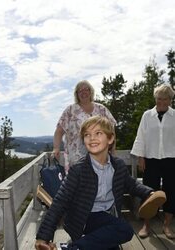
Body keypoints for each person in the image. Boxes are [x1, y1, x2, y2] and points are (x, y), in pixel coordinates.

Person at [35, 116, 165, 250]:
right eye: (87, 135)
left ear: (110, 139)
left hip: (108, 216)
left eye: (98, 133)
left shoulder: (118, 166)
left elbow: (132, 184)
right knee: (125, 230)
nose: (91, 138)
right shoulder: (79, 170)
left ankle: (73, 247)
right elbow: (60, 201)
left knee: (112, 243)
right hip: (84, 217)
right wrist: (43, 236)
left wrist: (150, 193)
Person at [131, 84, 175, 239]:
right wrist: (141, 157)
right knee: (149, 192)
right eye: (159, 99)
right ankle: (146, 224)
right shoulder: (147, 115)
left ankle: (167, 225)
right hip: (151, 159)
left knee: (171, 191)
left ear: (170, 100)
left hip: (171, 159)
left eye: (165, 99)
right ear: (155, 99)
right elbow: (140, 136)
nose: (161, 102)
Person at [53, 80, 116, 172]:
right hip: (76, 157)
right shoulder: (70, 110)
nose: (83, 92)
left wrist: (113, 149)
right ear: (77, 94)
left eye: (86, 89)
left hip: (100, 155)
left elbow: (112, 131)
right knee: (78, 183)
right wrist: (56, 148)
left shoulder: (101, 109)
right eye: (80, 90)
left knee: (100, 182)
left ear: (91, 92)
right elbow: (59, 131)